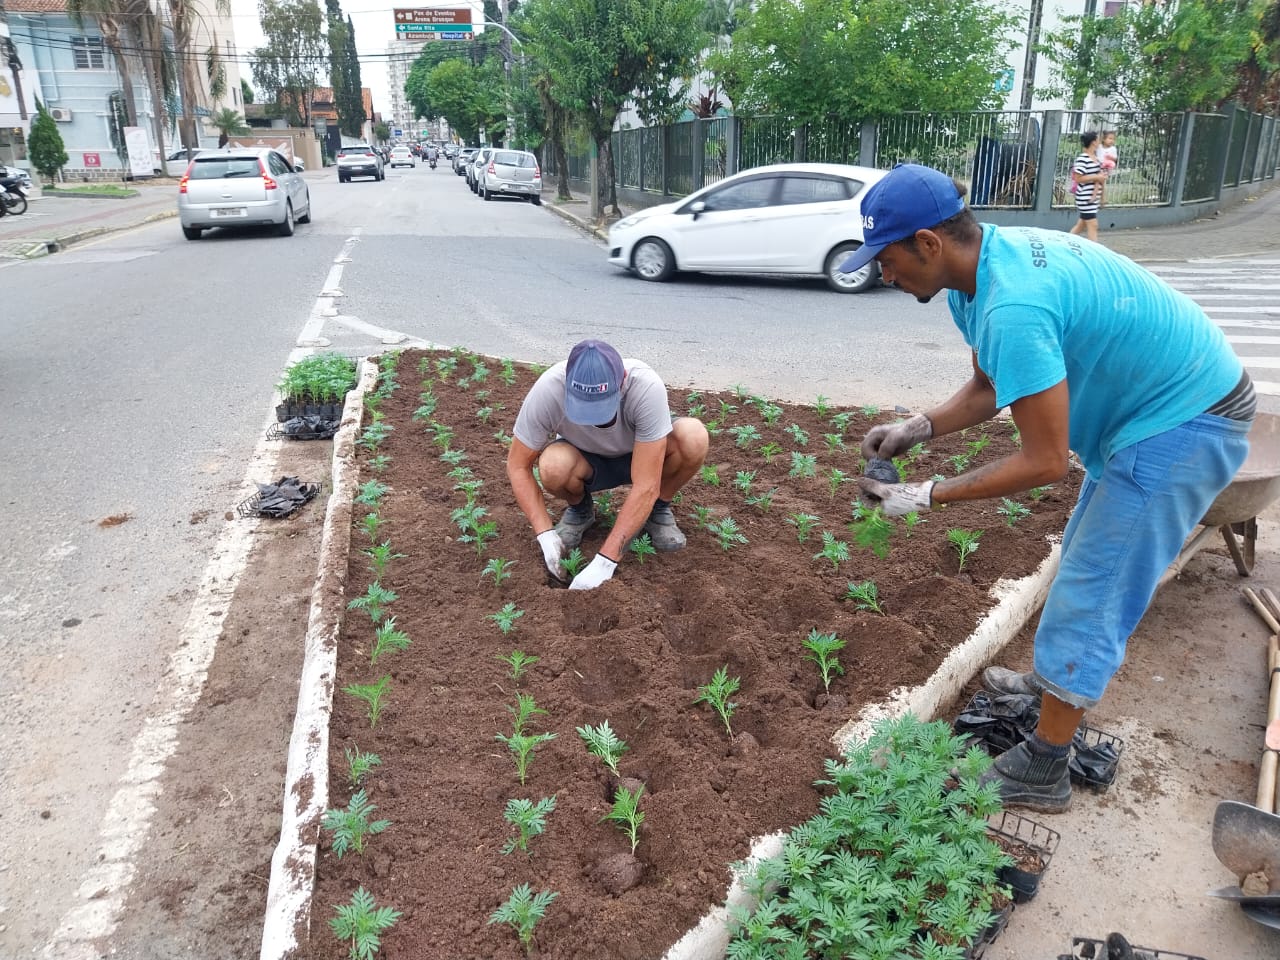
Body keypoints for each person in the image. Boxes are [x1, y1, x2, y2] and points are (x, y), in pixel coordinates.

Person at [842, 163, 1255, 813]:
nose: (883, 274)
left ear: (929, 243)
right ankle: (1050, 692)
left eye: (888, 260)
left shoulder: (1015, 303)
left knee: (1097, 585)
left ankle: (1044, 766)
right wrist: (916, 428)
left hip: (1188, 421)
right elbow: (987, 388)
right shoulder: (973, 278)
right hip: (1154, 416)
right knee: (1083, 566)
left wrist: (925, 495)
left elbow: (1043, 463)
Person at [507, 340, 709, 591]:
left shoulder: (644, 386)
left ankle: (657, 510)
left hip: (644, 457)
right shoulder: (549, 389)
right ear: (568, 384)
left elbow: (646, 484)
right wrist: (545, 535)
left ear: (622, 380)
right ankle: (580, 511)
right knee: (552, 466)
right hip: (586, 460)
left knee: (693, 437)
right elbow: (517, 465)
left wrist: (605, 562)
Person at [1070, 131, 1108, 241]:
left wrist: (1102, 197)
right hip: (1085, 197)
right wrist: (1096, 177)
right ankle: (1094, 250)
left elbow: (1100, 178)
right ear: (1093, 142)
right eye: (1097, 139)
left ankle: (1066, 242)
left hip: (1093, 197)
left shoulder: (1096, 158)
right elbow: (1078, 178)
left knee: (1081, 225)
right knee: (1093, 224)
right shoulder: (1083, 158)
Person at [1098, 131, 1118, 206]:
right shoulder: (1099, 147)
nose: (1111, 141)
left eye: (1113, 139)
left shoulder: (1113, 149)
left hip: (1106, 168)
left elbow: (1115, 159)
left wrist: (1111, 157)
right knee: (1098, 183)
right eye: (1110, 138)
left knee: (1102, 183)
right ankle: (1099, 199)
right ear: (1103, 139)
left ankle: (1103, 199)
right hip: (1098, 166)